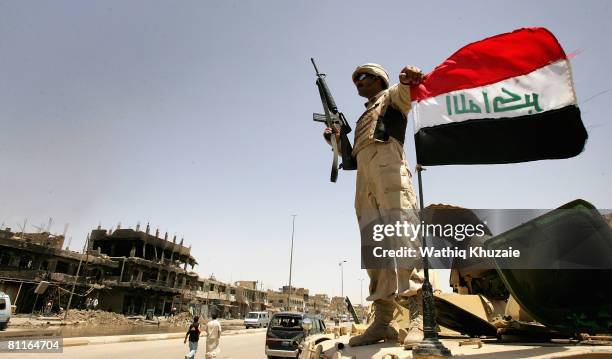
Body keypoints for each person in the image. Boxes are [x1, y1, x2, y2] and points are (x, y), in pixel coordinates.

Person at [323, 63, 425, 348]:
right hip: (365, 177)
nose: (358, 81)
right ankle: (383, 321)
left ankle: (418, 316)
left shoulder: (392, 97)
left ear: (380, 80)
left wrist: (407, 79)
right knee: (373, 243)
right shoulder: (362, 118)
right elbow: (351, 159)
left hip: (389, 168)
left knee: (403, 234)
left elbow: (407, 93)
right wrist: (335, 142)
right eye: (355, 78)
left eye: (363, 76)